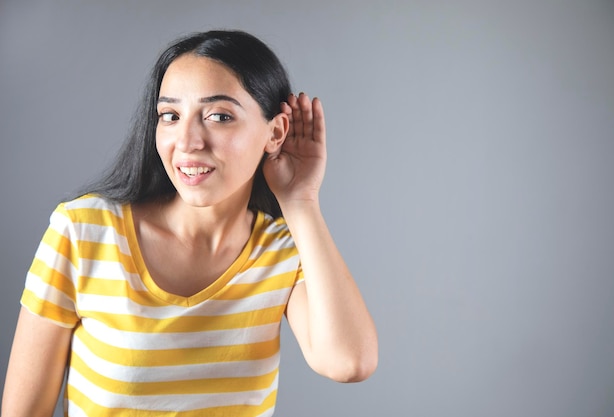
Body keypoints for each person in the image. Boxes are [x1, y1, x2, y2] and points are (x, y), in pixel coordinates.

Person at [2, 30, 378, 416]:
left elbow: (349, 362)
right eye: (171, 116)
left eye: (218, 116)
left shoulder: (284, 250)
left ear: (276, 132)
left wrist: (300, 201)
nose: (187, 141)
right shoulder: (82, 232)